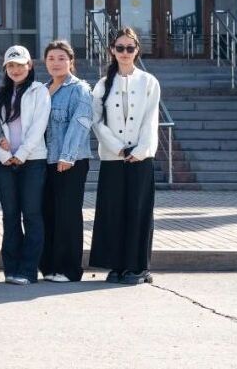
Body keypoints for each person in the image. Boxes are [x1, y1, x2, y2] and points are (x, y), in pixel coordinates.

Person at [90, 27, 161, 286]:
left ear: (137, 50)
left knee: (138, 211)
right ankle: (116, 266)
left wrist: (140, 150)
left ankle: (138, 267)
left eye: (130, 48)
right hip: (113, 157)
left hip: (141, 158)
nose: (125, 52)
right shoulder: (103, 84)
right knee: (113, 211)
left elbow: (151, 118)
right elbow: (96, 120)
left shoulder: (148, 81)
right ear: (112, 50)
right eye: (120, 47)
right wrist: (117, 147)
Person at [0, 45, 51, 286]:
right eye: (11, 65)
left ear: (30, 66)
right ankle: (11, 268)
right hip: (4, 162)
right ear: (5, 68)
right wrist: (3, 153)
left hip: (33, 161)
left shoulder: (39, 91)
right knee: (10, 215)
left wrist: (22, 153)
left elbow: (39, 126)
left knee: (32, 214)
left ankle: (28, 270)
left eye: (20, 65)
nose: (16, 69)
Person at [40, 40, 92, 283]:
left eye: (62, 58)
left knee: (68, 215)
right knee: (48, 213)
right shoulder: (42, 89)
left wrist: (67, 156)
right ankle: (50, 266)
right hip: (44, 161)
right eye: (51, 58)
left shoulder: (79, 89)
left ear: (71, 61)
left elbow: (81, 123)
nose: (56, 63)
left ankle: (69, 269)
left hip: (70, 162)